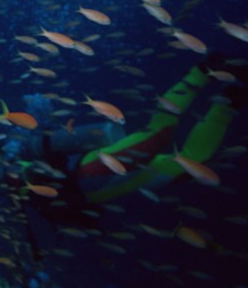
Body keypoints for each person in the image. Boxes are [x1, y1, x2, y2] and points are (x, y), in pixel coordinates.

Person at [76, 54, 246, 204]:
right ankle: (230, 102)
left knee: (158, 135)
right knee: (195, 164)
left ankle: (204, 71)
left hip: (83, 171)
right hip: (112, 187)